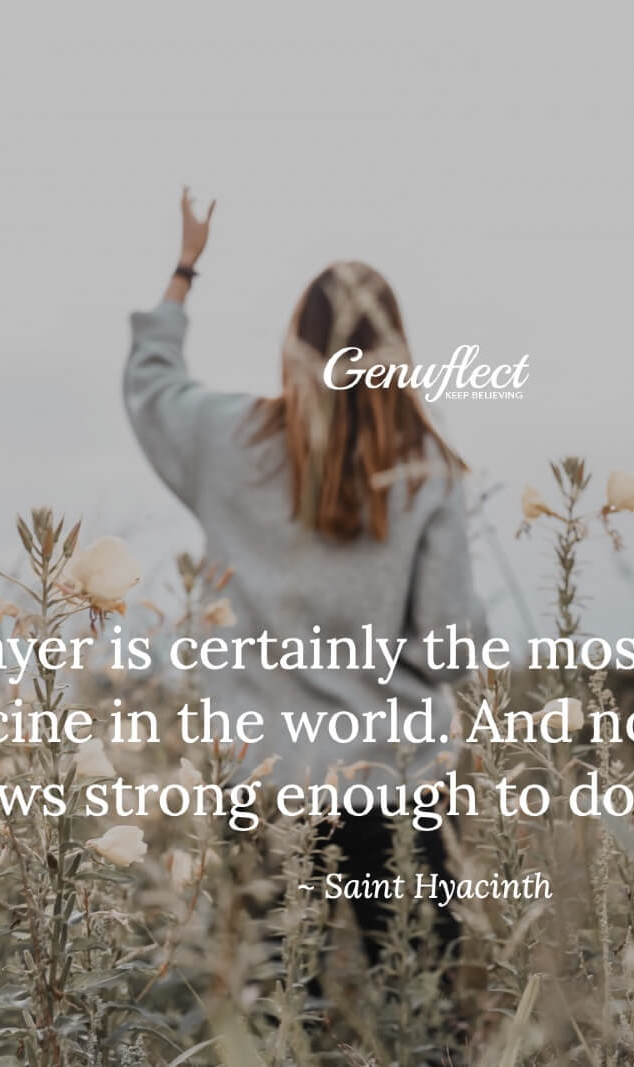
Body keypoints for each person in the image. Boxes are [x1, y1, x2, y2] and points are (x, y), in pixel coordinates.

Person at [121, 188, 485, 969]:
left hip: (262, 781)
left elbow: (151, 383)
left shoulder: (228, 441)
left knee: (282, 1008)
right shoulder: (424, 471)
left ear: (295, 342)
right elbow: (452, 646)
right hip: (395, 783)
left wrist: (186, 267)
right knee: (420, 1006)